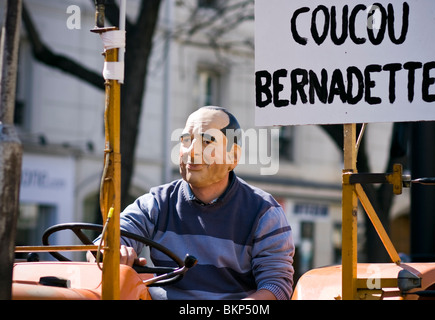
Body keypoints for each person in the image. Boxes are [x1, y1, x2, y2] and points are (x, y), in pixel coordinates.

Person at [102, 106, 295, 300]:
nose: (191, 152)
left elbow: (276, 286)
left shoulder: (264, 212)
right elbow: (101, 248)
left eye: (207, 141)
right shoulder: (156, 203)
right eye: (186, 140)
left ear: (233, 156)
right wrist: (112, 250)